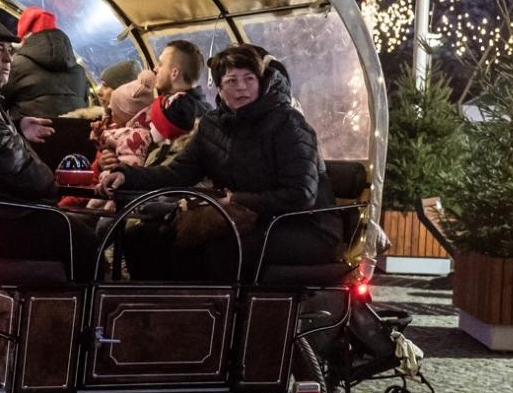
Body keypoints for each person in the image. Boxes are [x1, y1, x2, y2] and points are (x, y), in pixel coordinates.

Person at [99, 45, 342, 276]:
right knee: (141, 240)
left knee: (221, 251)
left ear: (261, 82)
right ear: (219, 88)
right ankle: (157, 315)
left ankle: (216, 318)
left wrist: (237, 200)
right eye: (231, 81)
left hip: (303, 226)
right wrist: (125, 174)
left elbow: (301, 195)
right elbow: (176, 173)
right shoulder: (212, 126)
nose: (242, 88)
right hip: (241, 219)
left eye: (249, 78)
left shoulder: (288, 124)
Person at [0, 7, 96, 277]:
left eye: (9, 50)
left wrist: (14, 126)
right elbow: (19, 171)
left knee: (78, 223)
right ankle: (75, 316)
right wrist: (55, 185)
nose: (7, 58)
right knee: (80, 236)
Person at [1, 7, 90, 119]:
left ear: (25, 35)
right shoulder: (80, 71)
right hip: (73, 134)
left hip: (29, 135)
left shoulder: (15, 65)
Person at [152, 39, 213, 125]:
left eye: (160, 64)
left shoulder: (178, 113)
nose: (155, 69)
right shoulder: (204, 108)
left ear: (174, 73)